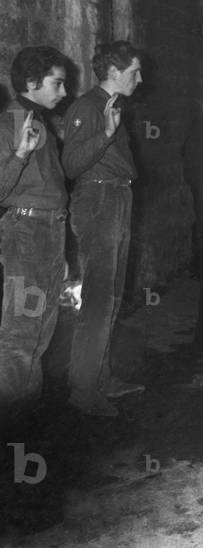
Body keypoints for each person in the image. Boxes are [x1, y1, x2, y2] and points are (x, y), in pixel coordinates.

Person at [61, 41, 144, 416]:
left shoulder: (112, 106)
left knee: (111, 294)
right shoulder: (87, 107)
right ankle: (83, 389)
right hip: (97, 200)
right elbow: (72, 164)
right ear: (113, 72)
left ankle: (101, 377)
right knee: (97, 297)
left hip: (117, 198)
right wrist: (106, 134)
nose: (139, 79)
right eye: (133, 72)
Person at [0, 46, 71, 419]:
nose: (63, 92)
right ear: (31, 83)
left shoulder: (39, 122)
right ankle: (11, 426)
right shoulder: (10, 122)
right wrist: (20, 154)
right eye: (56, 83)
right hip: (26, 231)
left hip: (48, 231)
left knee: (42, 330)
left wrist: (61, 253)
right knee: (21, 335)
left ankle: (26, 419)